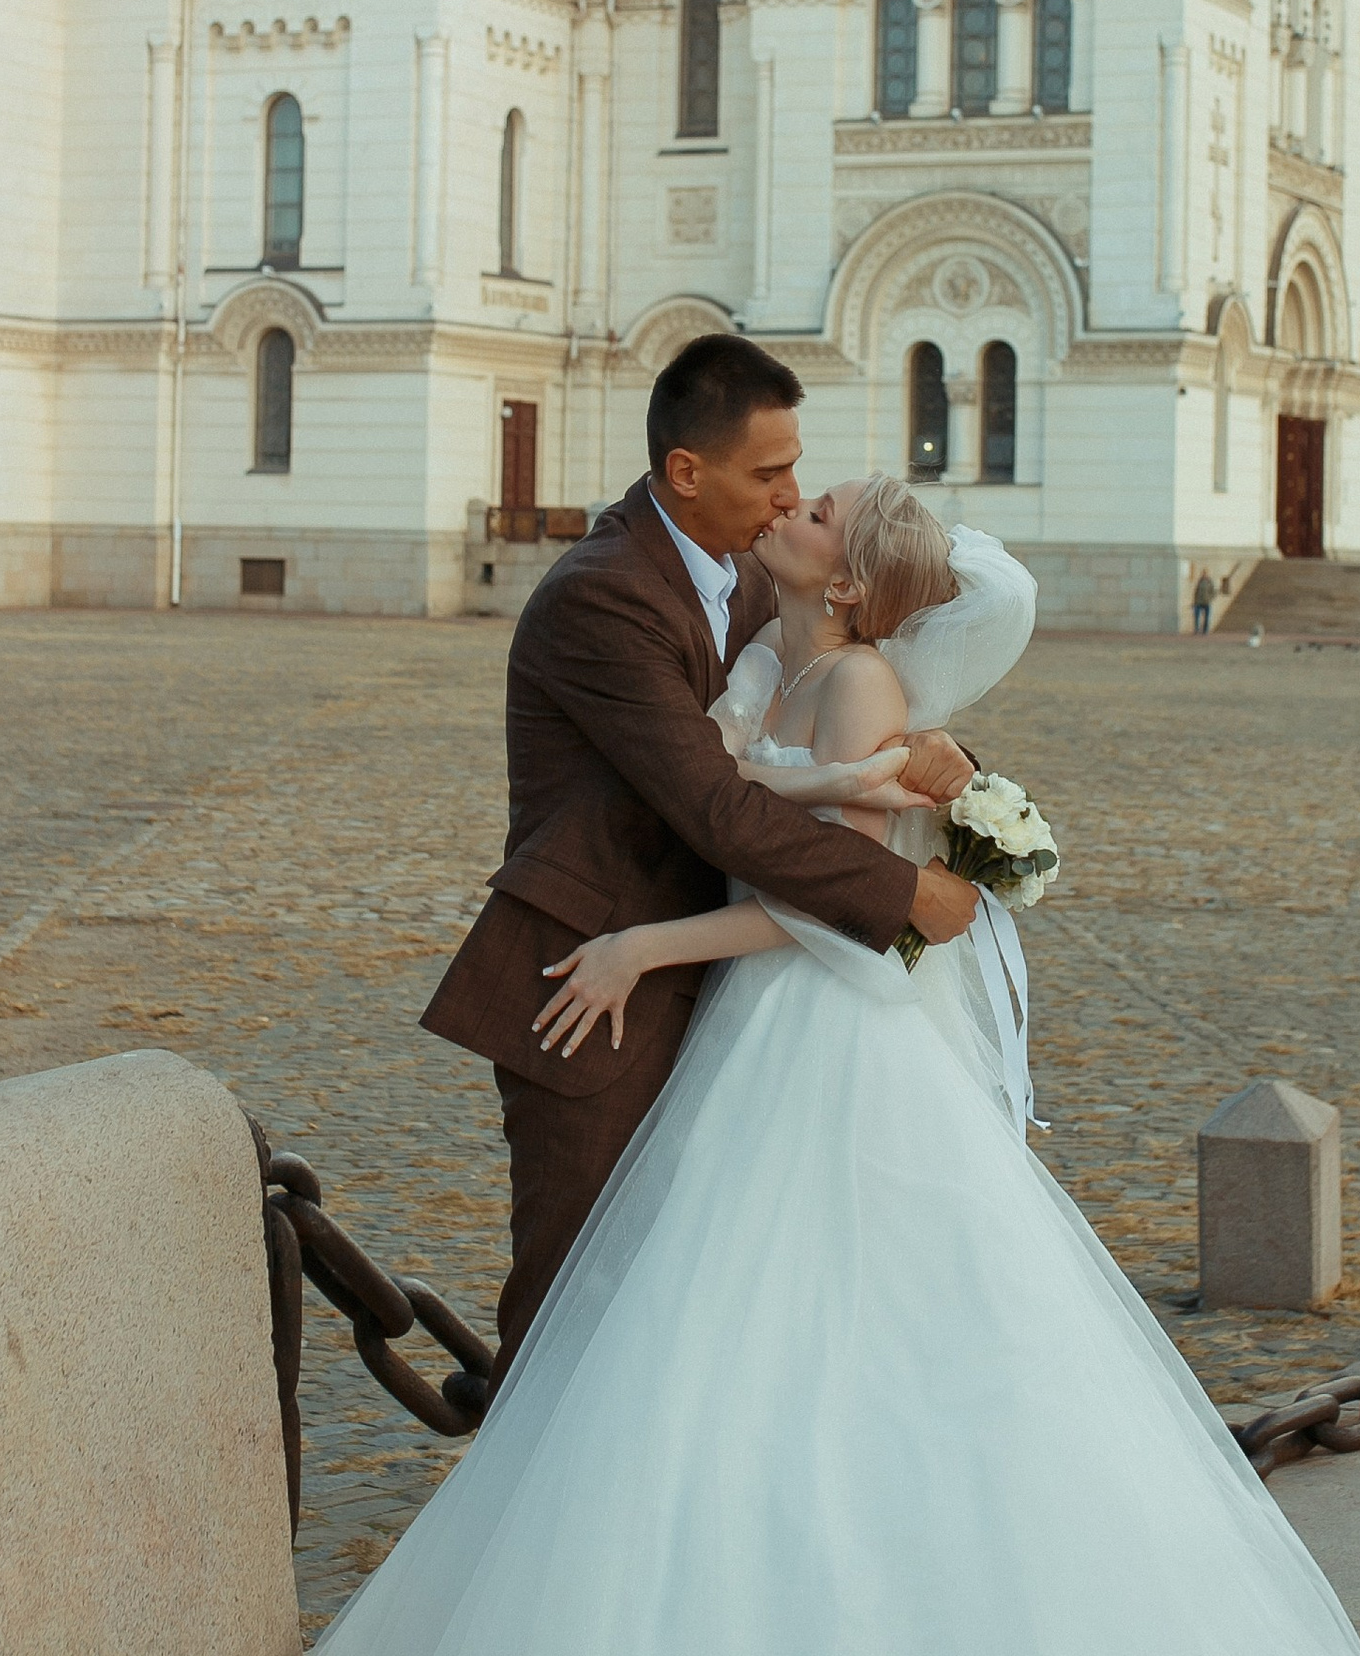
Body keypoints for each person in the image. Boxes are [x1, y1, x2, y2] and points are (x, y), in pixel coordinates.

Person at [275, 471, 1360, 1656]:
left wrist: (640, 943)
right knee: (747, 1351)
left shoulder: (858, 675)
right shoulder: (789, 657)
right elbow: (762, 799)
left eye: (826, 508)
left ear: (855, 585)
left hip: (831, 1038)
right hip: (779, 1033)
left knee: (832, 1346)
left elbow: (834, 908)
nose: (796, 502)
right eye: (800, 489)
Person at [420, 334, 980, 1375]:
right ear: (688, 471)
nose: (788, 497)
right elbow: (714, 807)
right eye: (770, 475)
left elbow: (843, 703)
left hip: (730, 980)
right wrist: (904, 891)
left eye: (798, 478)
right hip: (595, 980)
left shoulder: (757, 582)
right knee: (575, 1307)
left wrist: (942, 770)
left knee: (696, 1313)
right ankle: (545, 1532)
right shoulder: (605, 594)